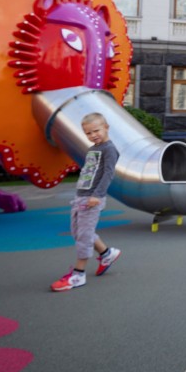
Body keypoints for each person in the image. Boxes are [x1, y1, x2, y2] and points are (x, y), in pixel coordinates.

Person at [51, 112, 122, 292]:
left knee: (84, 236)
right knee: (79, 233)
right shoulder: (93, 149)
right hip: (81, 196)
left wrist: (97, 195)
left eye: (96, 130)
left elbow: (108, 174)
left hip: (92, 198)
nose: (93, 135)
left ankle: (78, 274)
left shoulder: (109, 149)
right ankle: (107, 254)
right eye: (88, 133)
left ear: (106, 127)